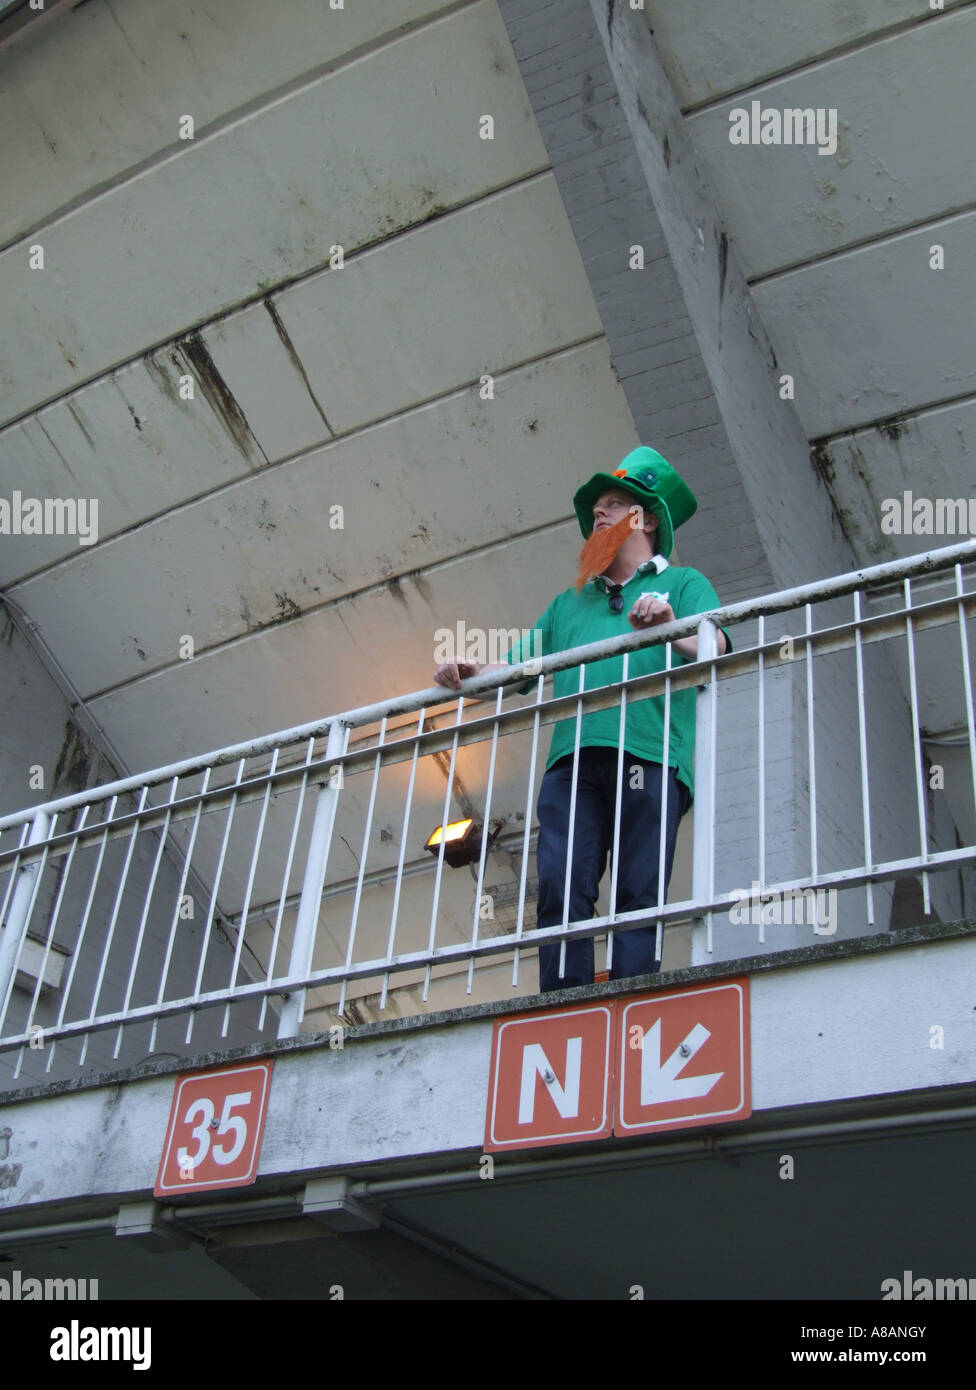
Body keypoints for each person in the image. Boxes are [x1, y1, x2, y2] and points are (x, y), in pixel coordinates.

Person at [434, 446, 729, 991]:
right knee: (561, 885)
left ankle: (632, 992)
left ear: (644, 518)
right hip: (573, 757)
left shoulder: (685, 583)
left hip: (652, 753)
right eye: (596, 509)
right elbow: (518, 666)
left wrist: (667, 623)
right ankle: (564, 1001)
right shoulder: (569, 603)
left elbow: (716, 648)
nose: (599, 514)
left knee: (640, 888)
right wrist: (470, 671)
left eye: (613, 505)